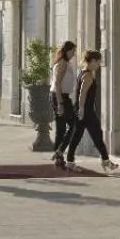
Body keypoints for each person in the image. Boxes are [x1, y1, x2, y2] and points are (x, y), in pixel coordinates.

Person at [66, 49, 118, 171]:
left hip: (83, 110)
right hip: (86, 112)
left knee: (77, 136)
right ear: (93, 61)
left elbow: (80, 93)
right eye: (98, 62)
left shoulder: (82, 72)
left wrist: (80, 108)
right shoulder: (88, 75)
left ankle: (70, 161)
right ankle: (105, 161)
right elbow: (82, 94)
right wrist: (82, 109)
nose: (99, 65)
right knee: (96, 136)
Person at [50, 41, 78, 169]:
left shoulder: (65, 63)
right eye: (73, 51)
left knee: (61, 128)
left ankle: (59, 158)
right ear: (67, 50)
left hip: (62, 97)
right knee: (73, 124)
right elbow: (57, 84)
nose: (74, 54)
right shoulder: (62, 63)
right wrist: (60, 103)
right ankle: (60, 151)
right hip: (59, 97)